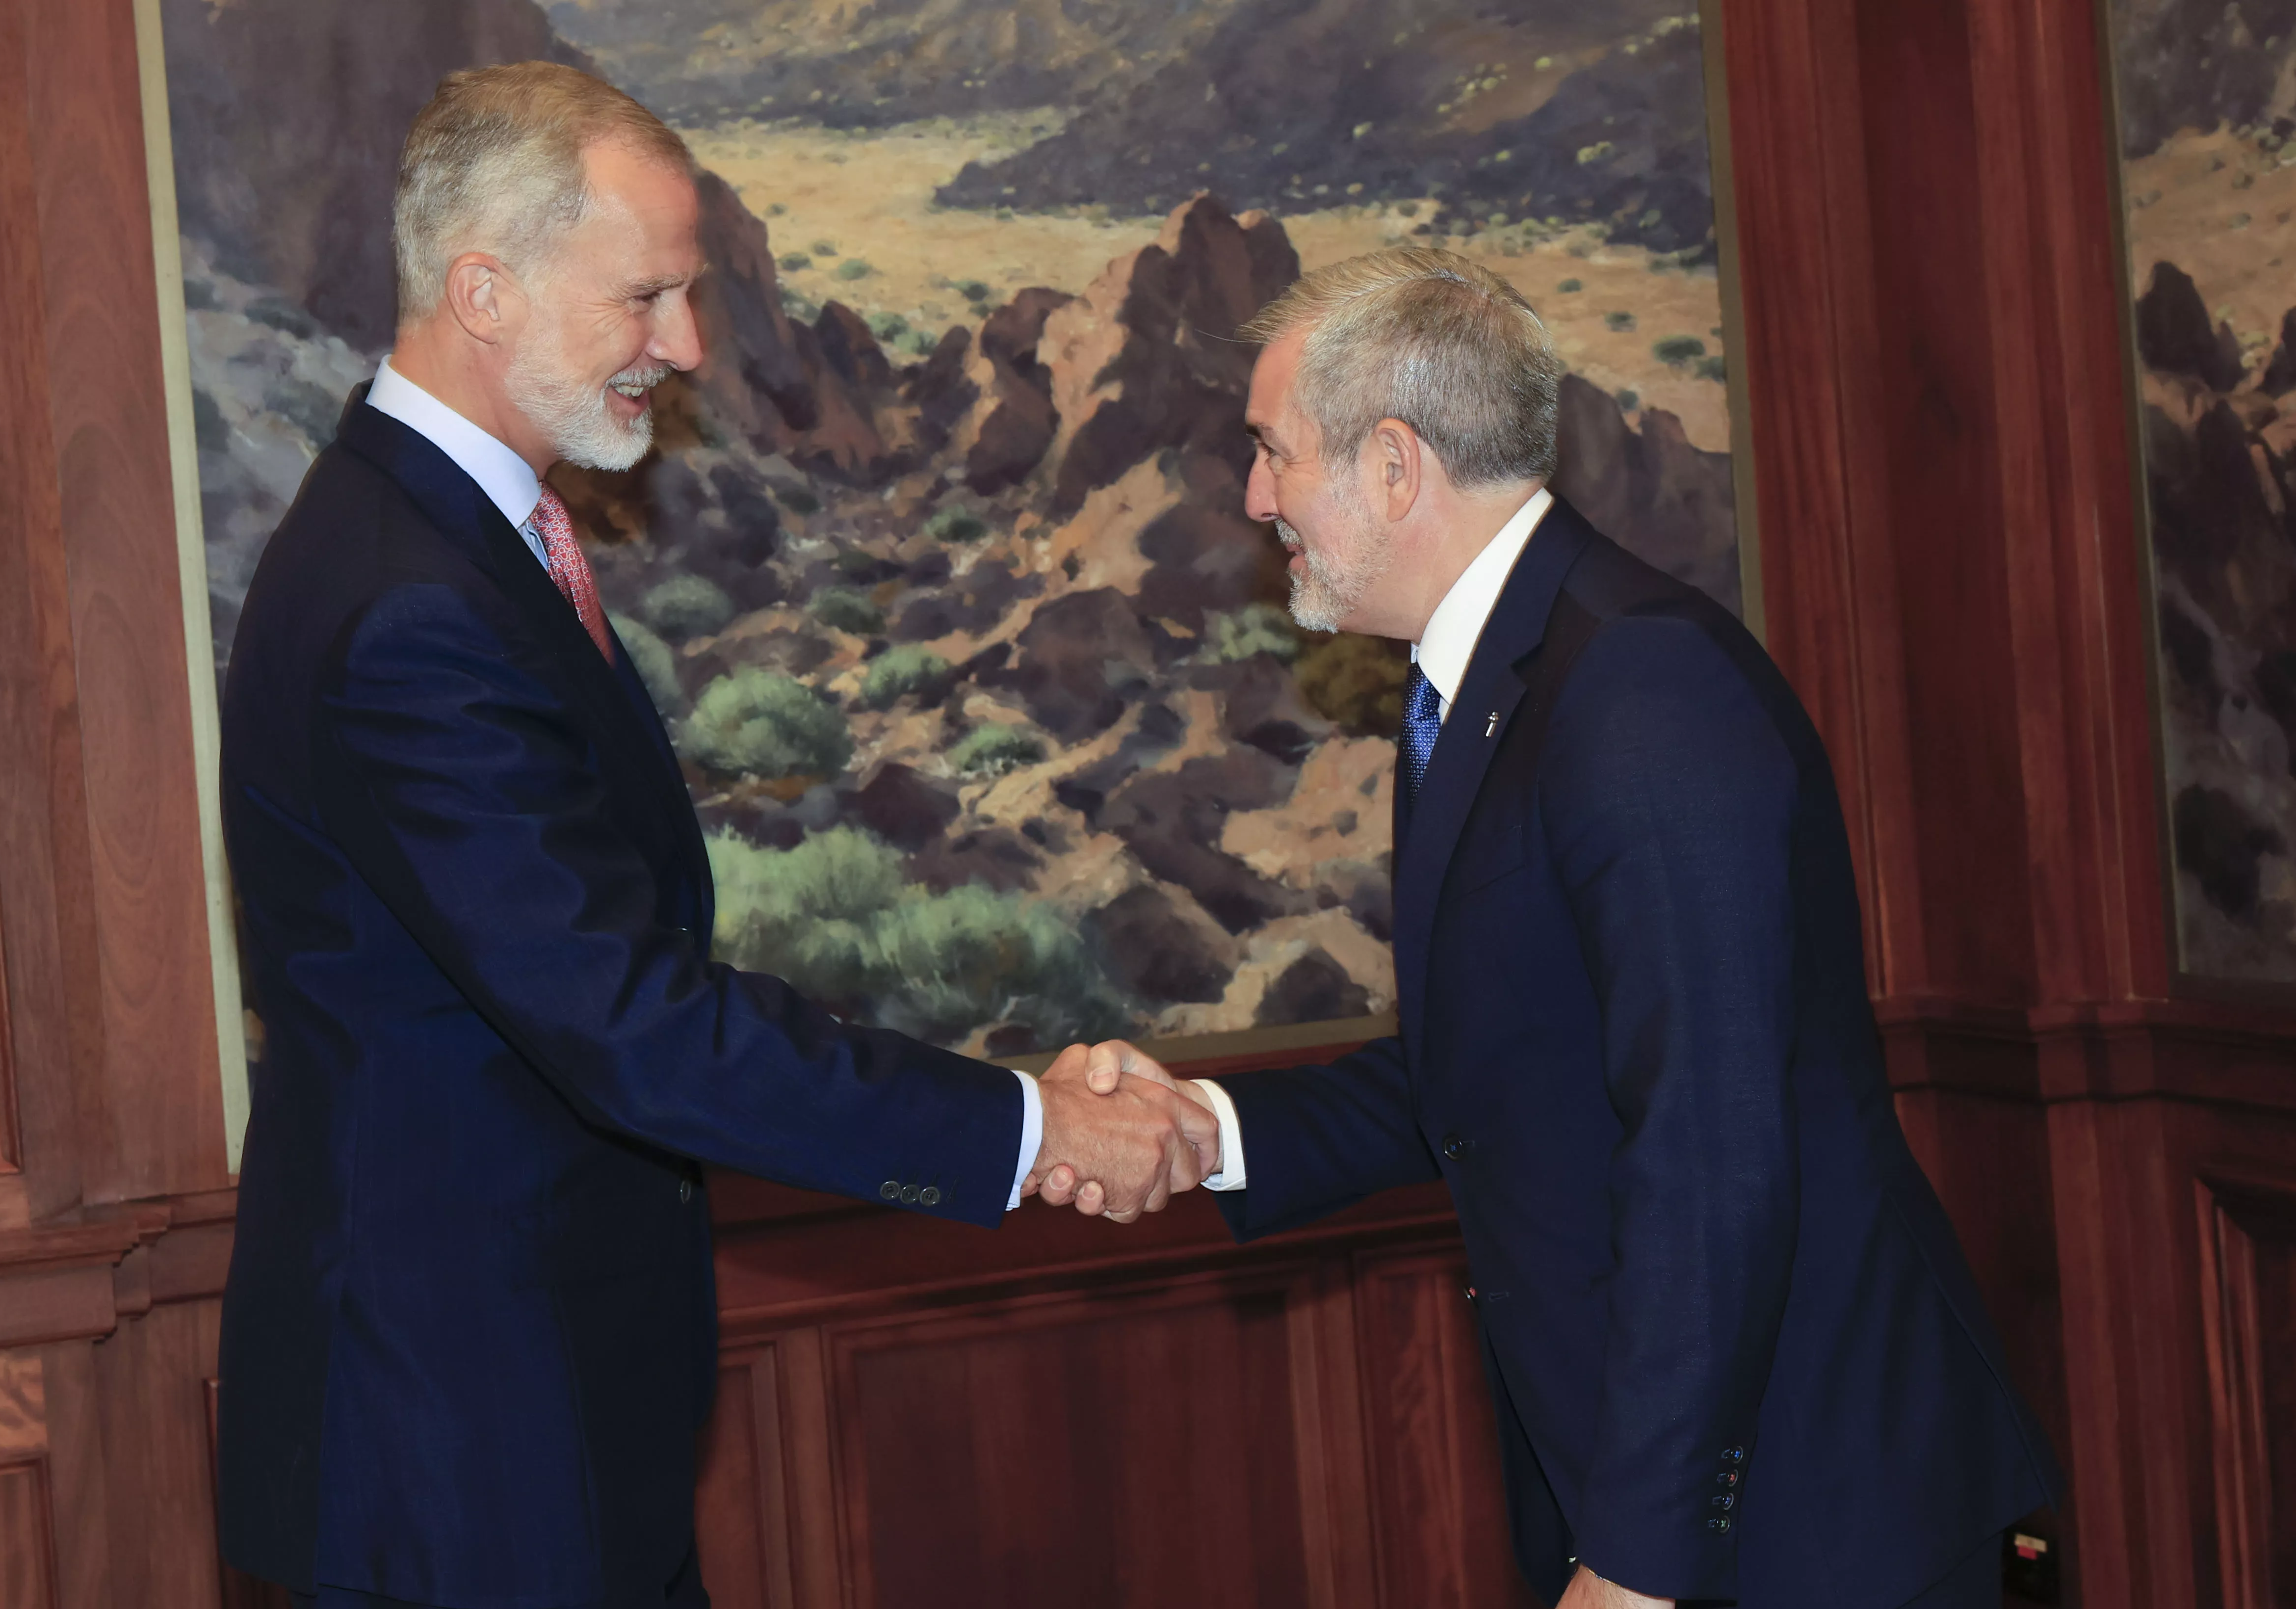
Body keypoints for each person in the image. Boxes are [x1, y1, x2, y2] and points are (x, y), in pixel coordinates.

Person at [214, 62, 1215, 1609]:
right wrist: (1027, 1127)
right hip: (455, 1455)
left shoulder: (445, 543)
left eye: (685, 299)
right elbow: (630, 1022)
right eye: (645, 299)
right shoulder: (410, 601)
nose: (682, 348)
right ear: (482, 289)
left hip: (525, 1425)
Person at [1041, 249, 2062, 1608]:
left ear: (1393, 467)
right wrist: (1206, 1133)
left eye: (1272, 452)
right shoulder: (1488, 682)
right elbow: (1492, 1067)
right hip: (1673, 1495)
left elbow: (1712, 1150)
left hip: (1810, 1516)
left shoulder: (1641, 690)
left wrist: (1635, 1564)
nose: (1253, 496)